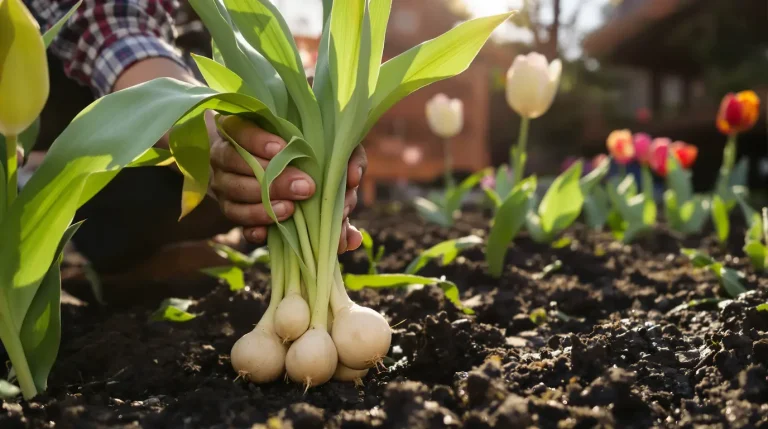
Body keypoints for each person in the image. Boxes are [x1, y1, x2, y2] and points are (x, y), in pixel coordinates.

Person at [23, 0, 364, 277]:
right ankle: (110, 267)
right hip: (85, 102)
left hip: (179, 67)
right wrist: (215, 143)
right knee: (142, 186)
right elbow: (113, 27)